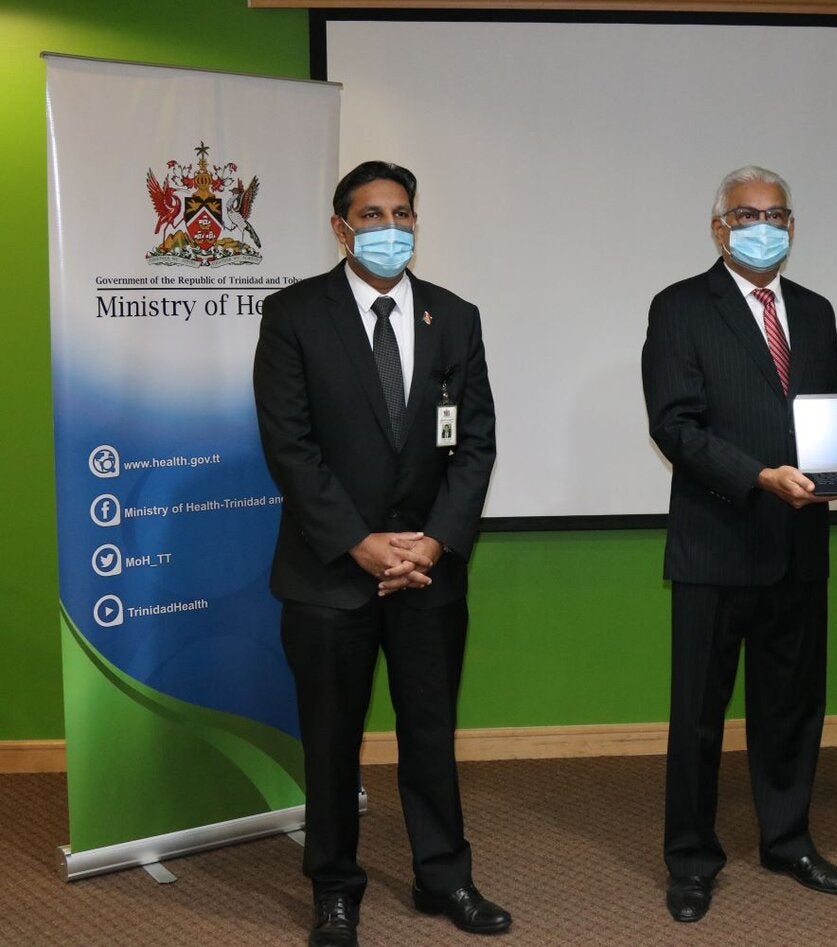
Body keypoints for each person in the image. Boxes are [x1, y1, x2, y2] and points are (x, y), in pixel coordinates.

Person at [253, 161, 508, 946]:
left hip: (428, 571)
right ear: (341, 227)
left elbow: (474, 445)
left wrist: (431, 541)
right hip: (330, 572)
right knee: (332, 738)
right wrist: (360, 543)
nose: (390, 227)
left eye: (402, 213)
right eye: (371, 214)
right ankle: (334, 888)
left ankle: (446, 877)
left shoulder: (454, 317)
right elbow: (289, 447)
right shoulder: (293, 314)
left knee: (430, 730)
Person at [641, 165, 837, 923]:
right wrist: (758, 476)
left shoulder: (818, 311)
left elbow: (828, 418)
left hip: (800, 540)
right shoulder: (680, 307)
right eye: (747, 213)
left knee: (792, 704)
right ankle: (691, 858)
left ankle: (787, 837)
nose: (764, 225)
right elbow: (675, 424)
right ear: (718, 225)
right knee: (699, 712)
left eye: (778, 214)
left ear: (791, 226)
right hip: (717, 539)